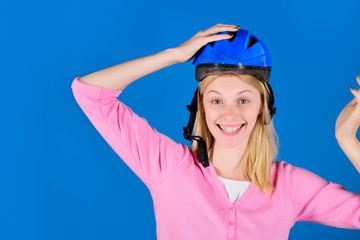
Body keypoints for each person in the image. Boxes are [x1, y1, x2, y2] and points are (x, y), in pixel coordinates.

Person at [71, 23, 360, 239]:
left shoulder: (289, 187)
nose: (229, 114)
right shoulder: (168, 167)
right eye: (216, 100)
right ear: (202, 107)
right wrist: (174, 55)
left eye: (244, 100)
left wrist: (347, 141)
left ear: (263, 107)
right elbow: (89, 92)